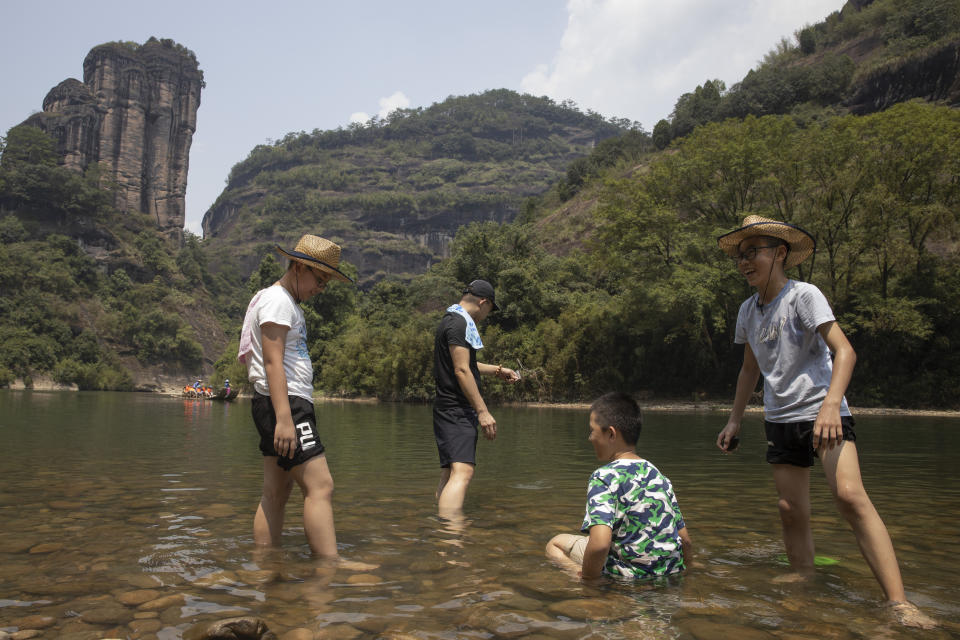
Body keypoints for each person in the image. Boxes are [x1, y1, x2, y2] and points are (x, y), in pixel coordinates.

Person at [715, 215, 935, 628]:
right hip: (780, 417)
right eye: (741, 255)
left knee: (850, 497)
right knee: (789, 509)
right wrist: (734, 421)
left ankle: (900, 603)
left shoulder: (804, 295)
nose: (745, 261)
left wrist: (832, 405)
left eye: (754, 252)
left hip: (823, 412)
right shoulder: (747, 311)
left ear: (780, 253)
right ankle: (803, 575)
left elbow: (845, 351)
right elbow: (749, 370)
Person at [237, 234, 353, 557]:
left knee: (276, 491)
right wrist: (285, 419)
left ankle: (266, 562)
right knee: (320, 485)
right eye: (319, 279)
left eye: (326, 282)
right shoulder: (277, 300)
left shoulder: (284, 302)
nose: (321, 288)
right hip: (285, 405)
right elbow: (273, 363)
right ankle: (328, 568)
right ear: (299, 267)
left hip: (279, 404)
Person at [546, 392, 692, 580]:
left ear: (611, 434)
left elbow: (599, 545)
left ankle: (583, 580)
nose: (590, 438)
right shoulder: (659, 476)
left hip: (629, 576)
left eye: (592, 430)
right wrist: (687, 573)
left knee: (555, 544)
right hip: (669, 573)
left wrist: (589, 584)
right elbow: (685, 541)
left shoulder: (603, 477)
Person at [433, 279, 520, 517]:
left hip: (446, 407)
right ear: (484, 302)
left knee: (451, 473)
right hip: (456, 408)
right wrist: (483, 411)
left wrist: (498, 371)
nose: (486, 316)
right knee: (463, 472)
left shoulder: (450, 320)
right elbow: (462, 370)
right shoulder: (460, 324)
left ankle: (442, 528)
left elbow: (467, 364)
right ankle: (452, 533)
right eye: (489, 310)